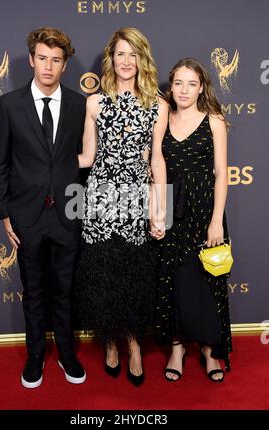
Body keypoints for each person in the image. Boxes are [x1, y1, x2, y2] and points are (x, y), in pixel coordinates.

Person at [0, 27, 86, 388]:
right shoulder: (8, 104)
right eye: (42, 58)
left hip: (68, 213)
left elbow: (86, 162)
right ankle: (35, 357)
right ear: (31, 60)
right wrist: (3, 213)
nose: (48, 67)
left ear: (65, 65)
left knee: (65, 289)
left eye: (56, 60)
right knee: (33, 291)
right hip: (26, 215)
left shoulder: (79, 104)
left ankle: (66, 353)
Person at [76, 27, 168, 386]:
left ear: (142, 59)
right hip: (100, 195)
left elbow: (157, 160)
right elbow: (86, 156)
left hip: (137, 197)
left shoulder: (157, 105)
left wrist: (160, 210)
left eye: (133, 54)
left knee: (132, 274)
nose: (126, 61)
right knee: (103, 274)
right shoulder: (94, 103)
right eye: (120, 54)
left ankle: (134, 345)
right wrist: (38, 162)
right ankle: (110, 342)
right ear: (110, 59)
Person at [155, 58, 232, 382]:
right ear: (170, 86)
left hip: (204, 212)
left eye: (191, 83)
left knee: (208, 282)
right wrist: (157, 212)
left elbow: (221, 174)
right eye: (178, 83)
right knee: (171, 282)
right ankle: (177, 348)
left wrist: (216, 221)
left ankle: (210, 351)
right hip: (171, 209)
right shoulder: (161, 117)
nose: (184, 90)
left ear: (201, 87)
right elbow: (153, 168)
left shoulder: (213, 120)